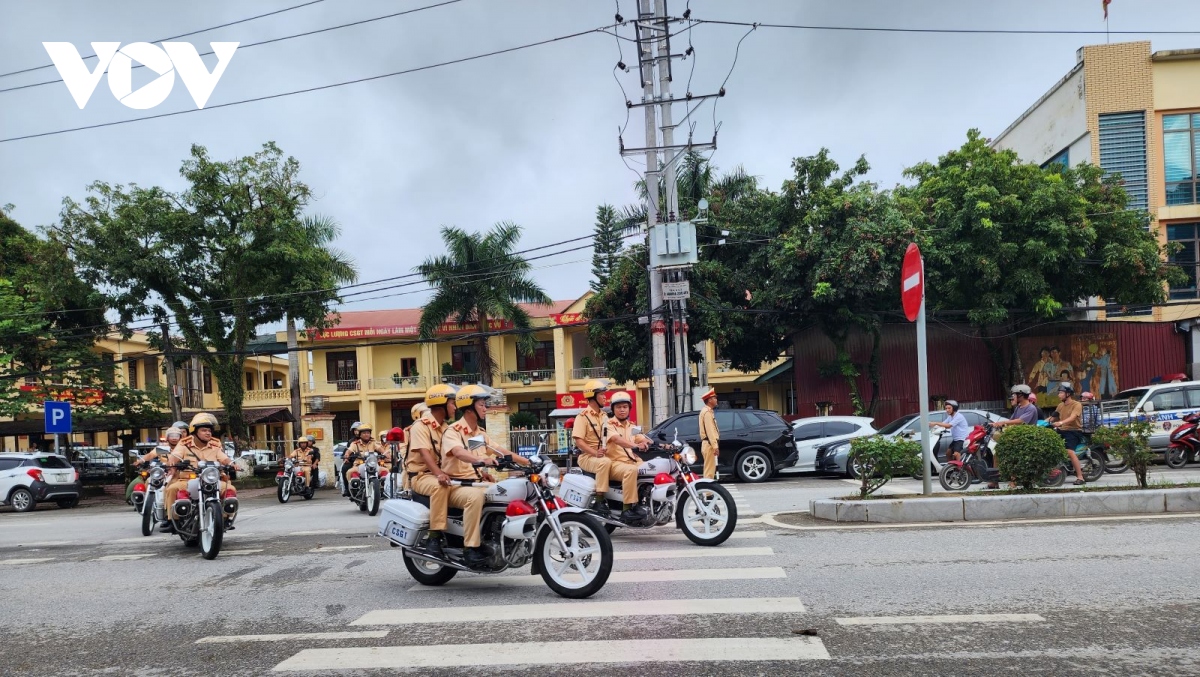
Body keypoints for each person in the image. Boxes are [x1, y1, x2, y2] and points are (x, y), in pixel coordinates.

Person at [441, 385, 529, 568]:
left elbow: (500, 451)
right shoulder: (454, 431)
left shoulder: (477, 434)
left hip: (476, 483)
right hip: (457, 485)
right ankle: (470, 548)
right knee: (475, 498)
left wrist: (528, 462)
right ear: (469, 407)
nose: (485, 408)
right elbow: (458, 452)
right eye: (481, 404)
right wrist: (482, 461)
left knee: (504, 491)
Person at [406, 384, 466, 560]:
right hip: (421, 476)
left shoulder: (447, 428)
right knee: (441, 486)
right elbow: (425, 454)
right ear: (441, 404)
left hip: (442, 473)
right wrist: (439, 474)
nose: (455, 407)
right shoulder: (420, 426)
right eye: (452, 403)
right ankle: (434, 537)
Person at [166, 412, 239, 529]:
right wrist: (172, 461)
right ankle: (171, 520)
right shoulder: (184, 444)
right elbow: (176, 455)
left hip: (212, 480)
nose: (208, 433)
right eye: (204, 430)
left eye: (209, 430)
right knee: (172, 489)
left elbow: (223, 457)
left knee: (230, 489)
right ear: (195, 431)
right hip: (188, 479)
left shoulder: (215, 445)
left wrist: (232, 464)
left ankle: (225, 518)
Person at [603, 391, 650, 521]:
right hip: (614, 464)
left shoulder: (631, 426)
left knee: (653, 468)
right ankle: (627, 509)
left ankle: (647, 501)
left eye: (625, 407)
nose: (622, 410)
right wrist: (635, 446)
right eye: (618, 407)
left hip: (632, 462)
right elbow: (617, 439)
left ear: (629, 408)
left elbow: (642, 438)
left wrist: (650, 443)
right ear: (613, 409)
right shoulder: (608, 425)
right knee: (631, 470)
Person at [573, 379, 616, 517]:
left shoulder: (605, 416)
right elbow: (579, 441)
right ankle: (599, 500)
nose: (605, 397)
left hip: (602, 455)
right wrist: (595, 453)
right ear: (592, 396)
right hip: (587, 456)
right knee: (605, 462)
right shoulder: (582, 417)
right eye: (602, 394)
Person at [1048, 382, 1087, 485]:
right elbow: (1053, 417)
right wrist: (1041, 423)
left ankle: (1080, 477)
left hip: (1074, 431)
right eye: (1059, 393)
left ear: (1068, 394)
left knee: (1069, 451)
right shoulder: (1060, 405)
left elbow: (1073, 417)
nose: (1059, 395)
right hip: (1062, 430)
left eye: (1061, 392)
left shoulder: (1077, 404)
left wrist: (1061, 422)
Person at [344, 424, 389, 490]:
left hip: (373, 465)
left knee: (386, 470)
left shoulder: (373, 443)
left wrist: (386, 454)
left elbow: (381, 449)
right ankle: (353, 488)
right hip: (359, 465)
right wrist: (346, 456)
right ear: (360, 435)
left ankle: (383, 486)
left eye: (368, 433)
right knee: (350, 472)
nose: (366, 434)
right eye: (364, 433)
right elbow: (349, 451)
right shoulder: (355, 444)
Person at [698, 387, 720, 479]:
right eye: (714, 398)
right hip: (709, 444)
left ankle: (707, 492)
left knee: (710, 469)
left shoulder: (708, 411)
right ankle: (707, 493)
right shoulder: (707, 412)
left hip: (708, 444)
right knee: (709, 471)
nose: (716, 399)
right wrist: (715, 446)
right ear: (710, 400)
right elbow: (710, 431)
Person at [340, 421, 364, 497]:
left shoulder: (370, 440)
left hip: (367, 460)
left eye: (358, 430)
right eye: (355, 430)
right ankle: (347, 489)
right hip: (354, 460)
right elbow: (347, 451)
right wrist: (346, 457)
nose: (356, 432)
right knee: (344, 468)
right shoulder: (351, 441)